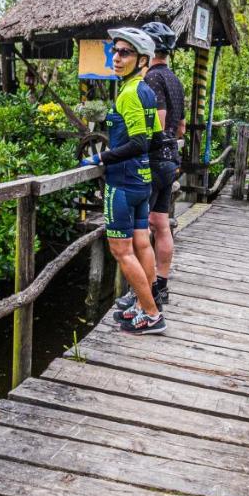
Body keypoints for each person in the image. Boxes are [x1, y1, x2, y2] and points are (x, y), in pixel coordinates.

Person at [79, 27, 166, 335]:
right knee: (142, 243)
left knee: (121, 250)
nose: (116, 57)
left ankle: (152, 314)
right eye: (114, 51)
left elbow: (141, 142)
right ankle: (145, 303)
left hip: (123, 184)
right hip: (142, 182)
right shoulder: (146, 92)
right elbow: (157, 138)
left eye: (124, 53)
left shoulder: (130, 94)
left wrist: (100, 158)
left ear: (142, 60)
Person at [112, 21, 185, 315]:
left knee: (140, 231)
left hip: (152, 159)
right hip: (171, 156)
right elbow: (180, 128)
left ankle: (141, 293)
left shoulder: (150, 79)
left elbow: (159, 119)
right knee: (161, 223)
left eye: (124, 51)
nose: (118, 56)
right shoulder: (175, 81)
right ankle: (160, 285)